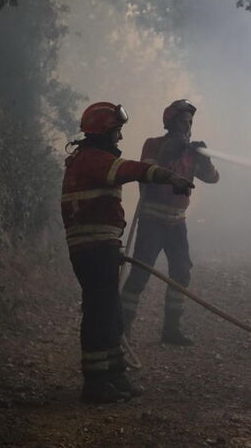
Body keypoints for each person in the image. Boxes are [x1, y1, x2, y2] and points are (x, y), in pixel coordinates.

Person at [62, 101, 194, 403]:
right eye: (117, 132)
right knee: (99, 314)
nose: (120, 139)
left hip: (101, 246)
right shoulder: (92, 160)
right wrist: (168, 175)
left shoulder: (90, 159)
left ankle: (115, 376)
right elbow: (131, 169)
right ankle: (96, 383)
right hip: (93, 249)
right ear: (104, 133)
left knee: (110, 313)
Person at [121, 99, 220, 346]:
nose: (186, 127)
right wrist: (169, 153)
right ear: (170, 122)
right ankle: (122, 329)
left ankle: (171, 329)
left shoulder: (190, 153)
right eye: (182, 122)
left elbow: (213, 179)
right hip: (152, 221)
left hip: (177, 224)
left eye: (189, 123)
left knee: (181, 274)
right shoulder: (153, 145)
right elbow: (147, 175)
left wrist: (205, 160)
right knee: (139, 275)